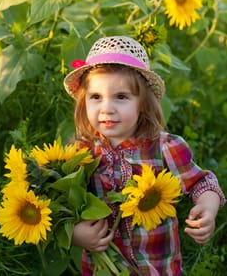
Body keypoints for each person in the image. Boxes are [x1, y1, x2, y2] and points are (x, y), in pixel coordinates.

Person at [64, 36, 226, 275]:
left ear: (142, 104)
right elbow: (62, 206)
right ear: (84, 102)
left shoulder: (164, 147)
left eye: (121, 97)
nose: (107, 108)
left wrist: (207, 209)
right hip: (103, 268)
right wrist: (76, 234)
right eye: (96, 97)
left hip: (156, 265)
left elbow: (202, 182)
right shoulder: (81, 153)